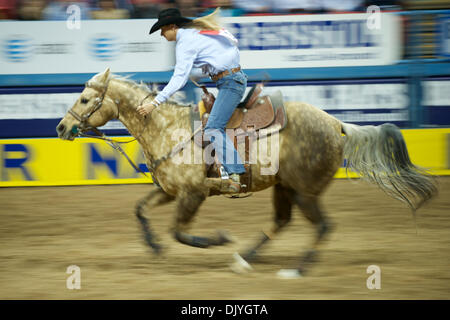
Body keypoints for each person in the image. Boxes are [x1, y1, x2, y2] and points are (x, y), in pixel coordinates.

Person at [137, 7, 247, 193]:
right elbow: (225, 53)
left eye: (163, 30)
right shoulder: (195, 34)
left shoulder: (185, 43)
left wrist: (154, 103)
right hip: (230, 80)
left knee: (213, 127)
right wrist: (200, 72)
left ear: (172, 26)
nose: (162, 35)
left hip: (230, 83)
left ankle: (234, 172)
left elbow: (178, 79)